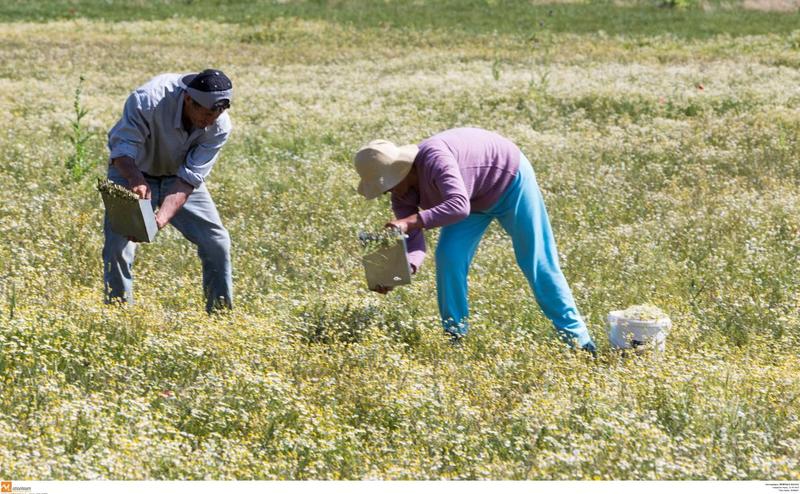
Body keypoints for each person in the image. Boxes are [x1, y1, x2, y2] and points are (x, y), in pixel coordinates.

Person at [353, 127, 596, 353]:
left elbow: (458, 206)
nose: (389, 192)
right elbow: (416, 242)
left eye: (388, 185)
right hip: (471, 201)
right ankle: (455, 336)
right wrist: (400, 271)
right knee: (449, 258)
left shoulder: (435, 157)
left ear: (401, 170)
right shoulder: (401, 195)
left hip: (509, 182)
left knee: (536, 260)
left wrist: (411, 221)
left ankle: (579, 342)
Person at [103, 69, 234, 312]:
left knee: (217, 242)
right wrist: (135, 179)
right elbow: (122, 148)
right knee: (117, 247)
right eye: (205, 113)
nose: (209, 120)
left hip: (177, 177)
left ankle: (220, 317)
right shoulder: (147, 100)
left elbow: (190, 178)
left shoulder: (219, 126)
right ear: (188, 100)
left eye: (216, 114)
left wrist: (159, 219)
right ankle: (117, 314)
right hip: (131, 169)